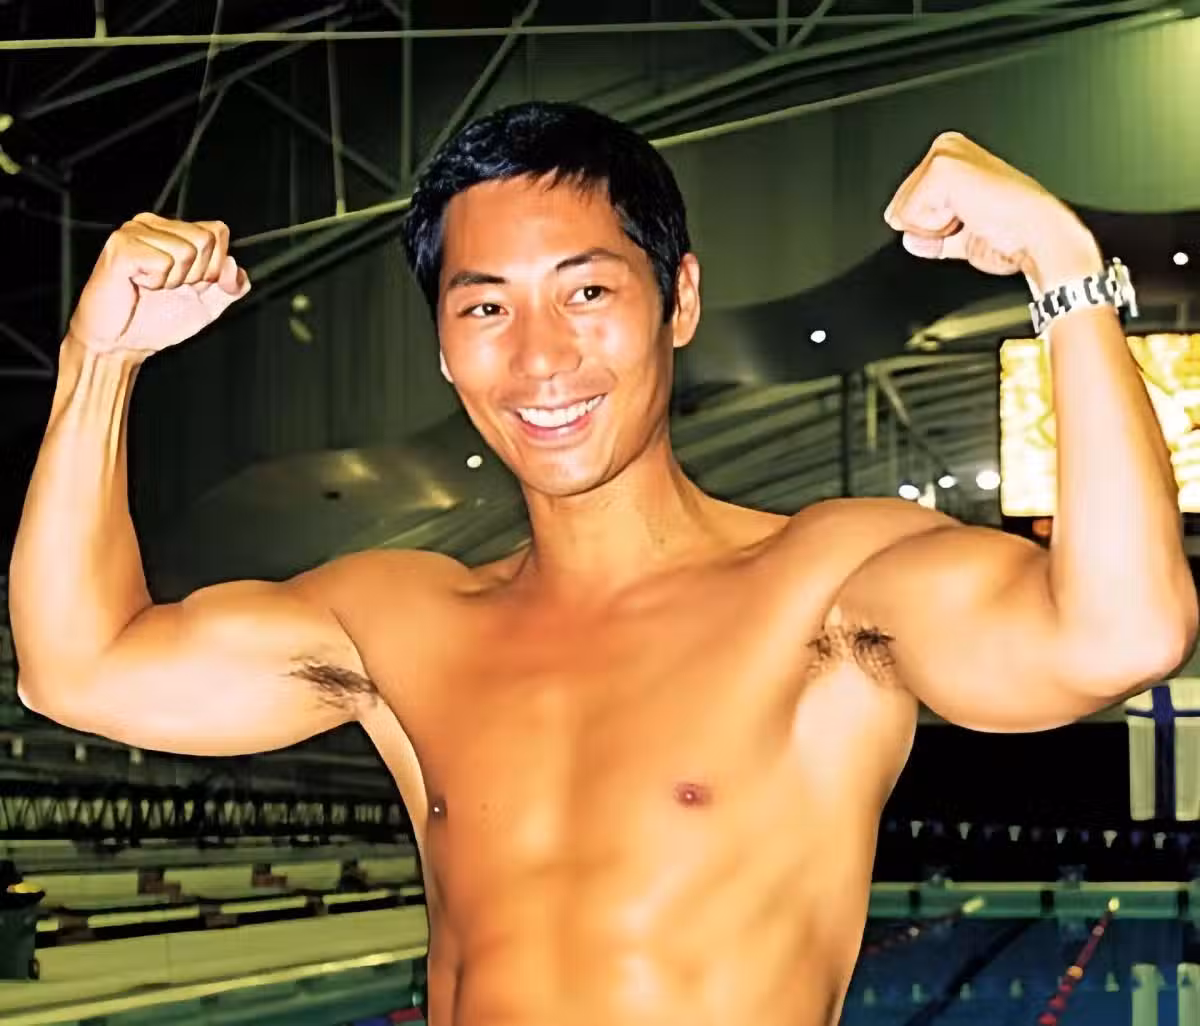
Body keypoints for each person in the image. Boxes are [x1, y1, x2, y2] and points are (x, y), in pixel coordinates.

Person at [8, 101, 1196, 1025]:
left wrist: (1063, 267)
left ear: (679, 299)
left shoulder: (829, 591)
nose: (541, 358)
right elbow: (79, 669)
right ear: (442, 347)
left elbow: (1121, 633)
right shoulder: (395, 617)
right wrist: (98, 362)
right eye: (485, 309)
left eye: (586, 291)